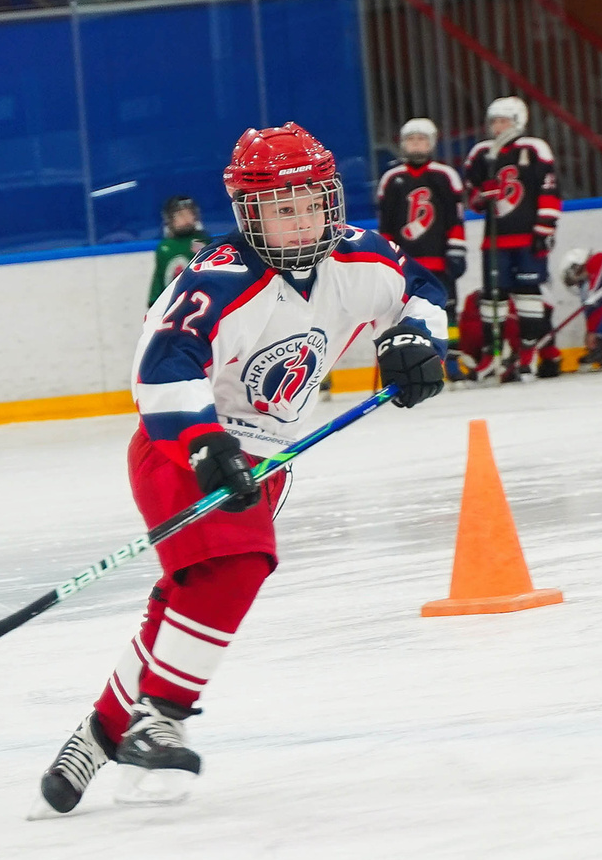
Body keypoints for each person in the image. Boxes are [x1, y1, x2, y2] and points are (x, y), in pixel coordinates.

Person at [36, 123, 448, 815]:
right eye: (283, 208)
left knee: (191, 595)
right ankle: (160, 717)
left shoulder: (362, 257)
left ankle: (100, 732)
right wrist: (204, 443)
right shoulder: (219, 278)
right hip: (182, 448)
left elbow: (421, 288)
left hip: (271, 460)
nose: (303, 221)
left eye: (312, 203)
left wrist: (416, 340)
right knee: (238, 564)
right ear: (249, 212)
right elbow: (162, 365)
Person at [462, 96, 561, 382]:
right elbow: (472, 192)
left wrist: (545, 228)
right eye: (494, 121)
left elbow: (549, 189)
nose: (498, 126)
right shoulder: (482, 152)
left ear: (518, 121)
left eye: (504, 121)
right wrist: (482, 196)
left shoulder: (534, 148)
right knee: (493, 297)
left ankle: (527, 355)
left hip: (528, 237)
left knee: (529, 294)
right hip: (495, 240)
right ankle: (492, 355)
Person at [374, 117, 471, 379]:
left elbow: (455, 219)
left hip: (439, 261)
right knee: (403, 315)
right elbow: (386, 225)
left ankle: (451, 363)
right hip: (405, 265)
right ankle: (409, 365)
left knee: (447, 313)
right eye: (411, 140)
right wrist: (386, 257)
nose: (416, 145)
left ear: (431, 143)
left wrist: (457, 249)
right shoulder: (392, 179)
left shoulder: (445, 176)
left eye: (421, 140)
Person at [146, 195, 207, 305]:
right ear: (170, 219)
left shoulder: (204, 241)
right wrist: (155, 302)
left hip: (201, 301)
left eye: (189, 213)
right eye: (180, 215)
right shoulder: (165, 247)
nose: (186, 218)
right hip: (173, 305)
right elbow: (159, 279)